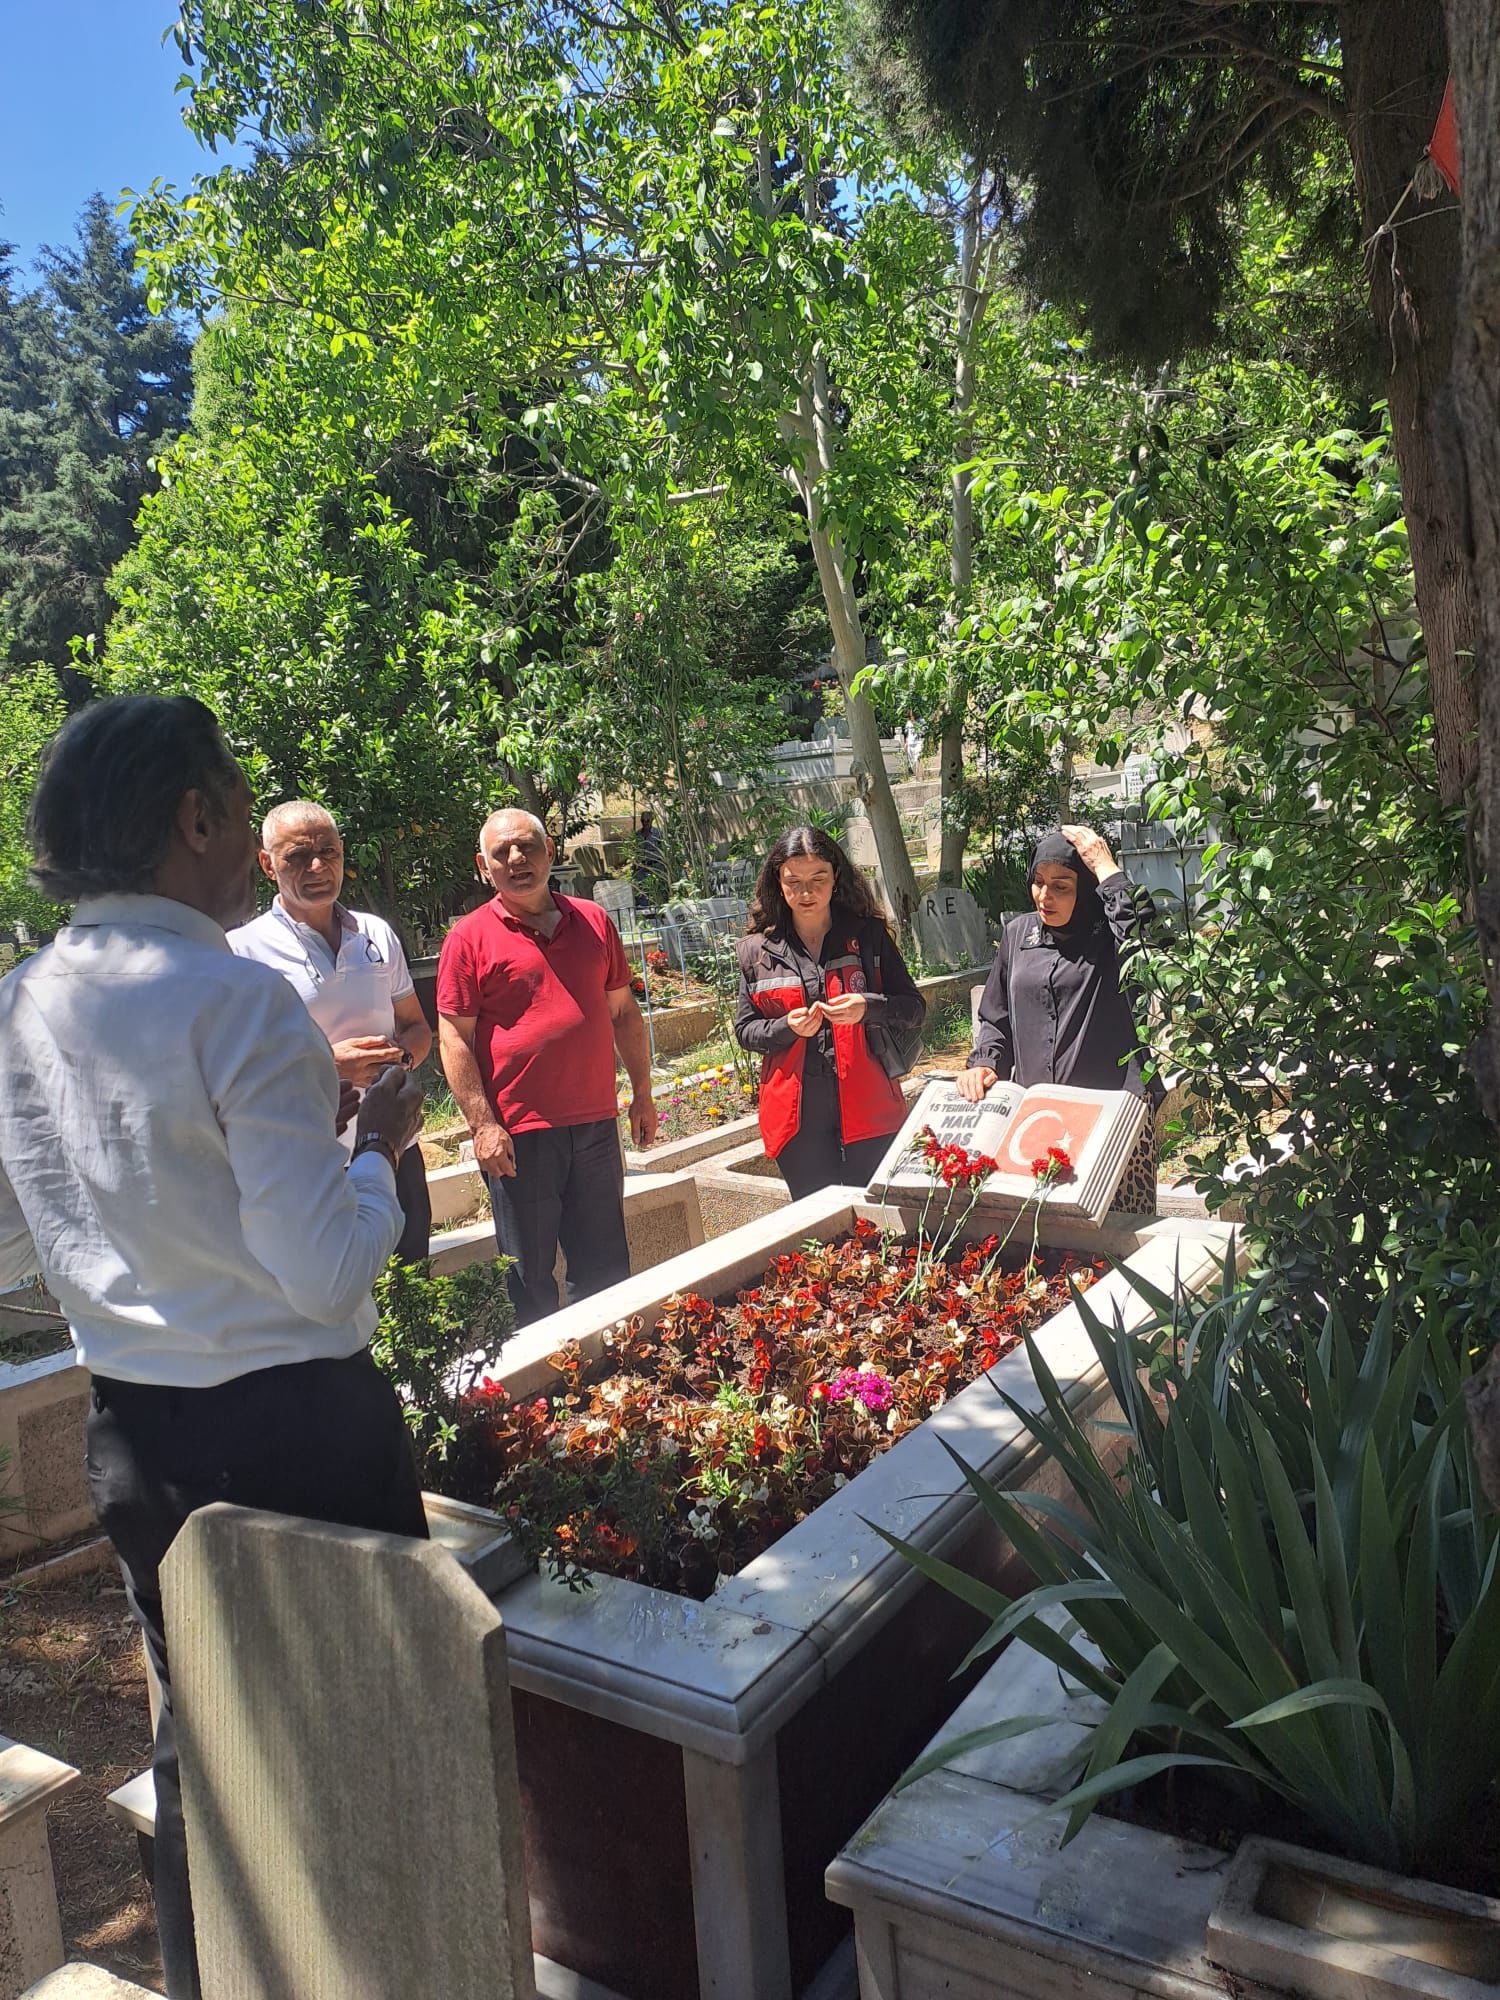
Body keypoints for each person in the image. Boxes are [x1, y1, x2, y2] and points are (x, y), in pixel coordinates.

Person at [0, 695, 427, 2000]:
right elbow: (326, 1273)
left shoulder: (19, 1002)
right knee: (373, 1752)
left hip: (139, 1433)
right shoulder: (238, 1004)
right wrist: (375, 1155)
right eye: (240, 807)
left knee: (210, 1750)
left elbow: (23, 1244)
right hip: (301, 1432)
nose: (250, 834)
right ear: (193, 818)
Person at [436, 807, 659, 1326]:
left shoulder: (593, 921)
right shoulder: (468, 938)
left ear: (550, 852)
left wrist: (642, 1093)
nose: (517, 859)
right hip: (520, 1134)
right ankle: (547, 1392)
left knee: (605, 1266)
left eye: (527, 846)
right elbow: (454, 1036)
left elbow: (623, 1011)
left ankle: (612, 1380)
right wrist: (482, 1123)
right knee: (530, 1276)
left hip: (596, 1125)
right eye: (501, 852)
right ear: (482, 865)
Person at [229, 801, 434, 1261]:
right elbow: (236, 1074)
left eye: (329, 851)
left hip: (398, 1146)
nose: (318, 866)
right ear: (267, 864)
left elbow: (417, 1028)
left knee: (411, 1292)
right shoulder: (242, 952)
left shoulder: (376, 934)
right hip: (314, 1162)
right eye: (298, 856)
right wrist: (331, 1067)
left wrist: (397, 1063)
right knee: (338, 1307)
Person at [955, 824, 1162, 1211]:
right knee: (1048, 1240)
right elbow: (997, 1018)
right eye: (1038, 882)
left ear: (1085, 889)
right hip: (1040, 1120)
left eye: (1062, 886)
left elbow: (1145, 937)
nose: (1044, 897)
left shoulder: (1111, 936)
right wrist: (984, 1063)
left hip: (1110, 1119)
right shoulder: (1018, 936)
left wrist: (1104, 866)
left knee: (1114, 1244)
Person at [735, 826, 924, 1200]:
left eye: (818, 879)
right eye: (794, 881)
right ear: (778, 881)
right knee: (816, 1222)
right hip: (798, 1113)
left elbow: (914, 1009)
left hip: (869, 1103)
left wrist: (868, 1007)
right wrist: (785, 1027)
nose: (806, 893)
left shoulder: (867, 936)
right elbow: (746, 1030)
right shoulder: (757, 951)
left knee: (874, 1214)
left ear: (836, 876)